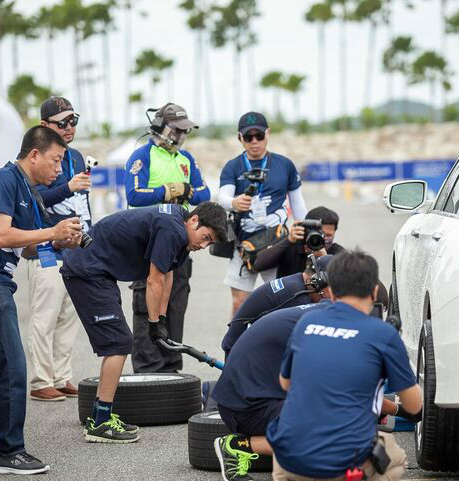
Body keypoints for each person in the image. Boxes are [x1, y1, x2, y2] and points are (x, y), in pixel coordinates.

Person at [0, 125, 83, 475]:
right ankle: (10, 452)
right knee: (13, 367)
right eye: (56, 161)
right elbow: (0, 236)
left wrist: (58, 243)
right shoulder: (4, 180)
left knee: (0, 366)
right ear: (35, 154)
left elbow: (25, 247)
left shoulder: (29, 191)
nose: (59, 171)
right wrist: (52, 232)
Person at [263, 250, 423, 481]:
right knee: (396, 457)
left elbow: (285, 384)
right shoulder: (382, 335)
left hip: (292, 457)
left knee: (286, 425)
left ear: (331, 290)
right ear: (374, 291)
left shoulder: (306, 324)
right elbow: (413, 405)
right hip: (347, 462)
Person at [60, 202, 227, 443]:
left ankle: (100, 417)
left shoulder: (181, 228)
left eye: (209, 243)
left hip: (101, 272)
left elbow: (168, 274)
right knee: (119, 343)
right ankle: (99, 422)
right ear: (194, 221)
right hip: (86, 269)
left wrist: (161, 320)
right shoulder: (172, 229)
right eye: (205, 237)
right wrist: (151, 322)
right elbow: (154, 280)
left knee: (119, 342)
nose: (203, 245)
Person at [124, 103, 211, 373]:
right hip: (147, 242)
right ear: (161, 127)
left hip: (181, 244)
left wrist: (183, 190)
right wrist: (167, 191)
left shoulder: (186, 159)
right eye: (177, 130)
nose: (181, 136)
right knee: (146, 303)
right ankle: (148, 367)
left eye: (185, 131)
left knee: (176, 304)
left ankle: (172, 364)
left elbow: (203, 194)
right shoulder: (142, 155)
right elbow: (134, 196)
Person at [211, 301, 326, 481]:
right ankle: (236, 446)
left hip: (248, 394)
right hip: (246, 407)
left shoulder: (319, 313)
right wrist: (390, 409)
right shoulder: (326, 326)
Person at [23, 96, 92, 402]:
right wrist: (67, 188)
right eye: (62, 122)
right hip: (45, 249)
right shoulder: (34, 158)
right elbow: (32, 200)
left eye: (73, 120)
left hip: (75, 248)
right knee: (44, 316)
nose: (69, 127)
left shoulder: (75, 156)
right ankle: (40, 380)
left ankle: (61, 376)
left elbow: (83, 202)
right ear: (45, 125)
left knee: (68, 316)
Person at [217, 111, 308, 317]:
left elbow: (298, 204)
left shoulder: (285, 165)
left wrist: (306, 230)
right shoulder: (232, 166)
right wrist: (234, 202)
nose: (254, 141)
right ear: (239, 138)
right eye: (248, 137)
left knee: (285, 301)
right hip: (243, 245)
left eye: (259, 135)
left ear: (268, 133)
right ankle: (234, 348)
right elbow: (222, 198)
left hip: (277, 243)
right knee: (240, 304)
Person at [221, 254, 332, 357]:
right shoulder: (297, 298)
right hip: (239, 352)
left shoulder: (296, 282)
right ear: (318, 282)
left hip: (239, 344)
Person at [253, 206, 345, 278]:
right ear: (306, 229)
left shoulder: (338, 253)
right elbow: (259, 264)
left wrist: (324, 258)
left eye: (328, 235)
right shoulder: (291, 245)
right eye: (320, 234)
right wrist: (288, 240)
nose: (323, 238)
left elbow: (346, 279)